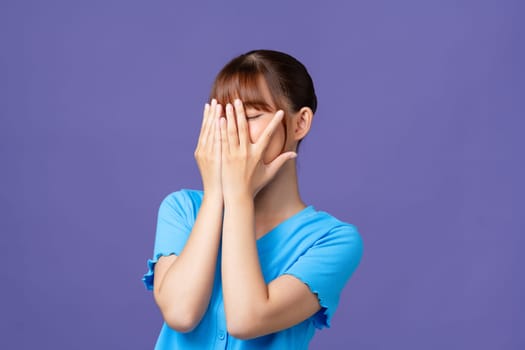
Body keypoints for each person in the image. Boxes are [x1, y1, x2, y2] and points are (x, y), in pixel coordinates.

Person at [142, 49, 364, 349]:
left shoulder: (331, 240)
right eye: (223, 117)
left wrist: (238, 196)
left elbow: (247, 319)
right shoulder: (182, 209)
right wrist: (217, 196)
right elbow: (181, 313)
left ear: (300, 124)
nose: (233, 130)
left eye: (250, 116)